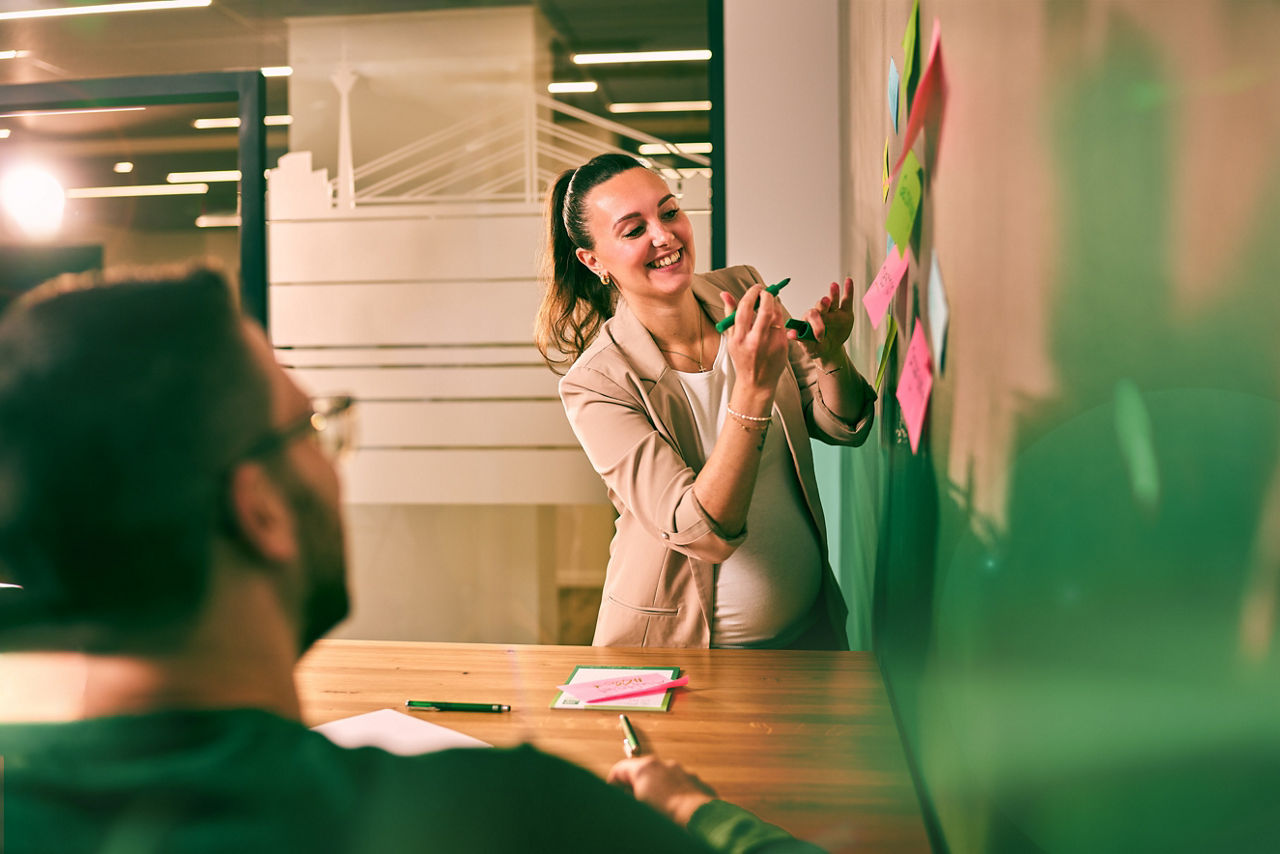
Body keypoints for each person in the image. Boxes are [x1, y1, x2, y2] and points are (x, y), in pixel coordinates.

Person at [0, 264, 826, 853]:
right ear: (259, 509)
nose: (332, 459)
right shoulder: (516, 819)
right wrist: (697, 818)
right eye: (313, 427)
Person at [536, 154, 876, 649]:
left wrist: (831, 358)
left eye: (669, 212)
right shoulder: (596, 383)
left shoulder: (742, 289)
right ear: (593, 261)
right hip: (688, 660)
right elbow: (700, 532)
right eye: (633, 231)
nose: (664, 236)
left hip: (811, 633)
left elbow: (841, 423)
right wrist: (753, 389)